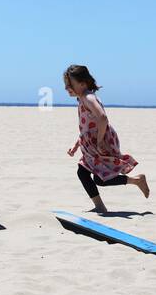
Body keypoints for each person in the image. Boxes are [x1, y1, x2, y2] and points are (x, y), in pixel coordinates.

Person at [63, 64, 148, 213]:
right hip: (91, 143)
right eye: (66, 84)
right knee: (91, 175)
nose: (67, 88)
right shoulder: (82, 99)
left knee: (93, 176)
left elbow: (102, 118)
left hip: (99, 142)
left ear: (83, 83)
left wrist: (100, 140)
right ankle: (134, 182)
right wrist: (76, 145)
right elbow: (87, 128)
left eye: (70, 84)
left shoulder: (88, 98)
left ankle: (103, 204)